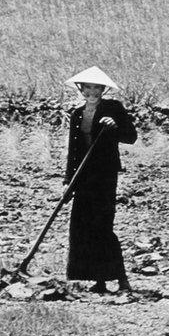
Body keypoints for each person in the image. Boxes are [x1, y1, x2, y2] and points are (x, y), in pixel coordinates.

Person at [63, 66, 137, 294]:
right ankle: (99, 281)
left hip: (104, 176)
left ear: (103, 90)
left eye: (97, 88)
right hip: (82, 177)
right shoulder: (77, 114)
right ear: (81, 89)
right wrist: (69, 180)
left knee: (103, 227)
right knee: (82, 227)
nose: (92, 92)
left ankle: (122, 279)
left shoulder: (113, 108)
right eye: (88, 88)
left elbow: (131, 137)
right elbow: (73, 150)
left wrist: (114, 127)